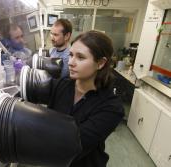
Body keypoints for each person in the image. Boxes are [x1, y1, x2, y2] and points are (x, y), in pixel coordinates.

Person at [47, 30, 124, 167]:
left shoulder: (111, 107)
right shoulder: (62, 85)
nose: (71, 62)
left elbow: (75, 144)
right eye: (71, 55)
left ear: (100, 63)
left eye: (80, 57)